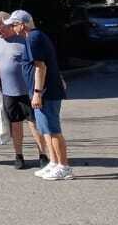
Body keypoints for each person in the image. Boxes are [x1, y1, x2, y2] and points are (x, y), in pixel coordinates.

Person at [5, 10, 73, 181]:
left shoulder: (34, 38)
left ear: (23, 24)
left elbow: (40, 67)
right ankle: (54, 162)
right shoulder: (31, 38)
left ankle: (64, 166)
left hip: (46, 92)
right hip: (43, 92)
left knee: (53, 130)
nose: (13, 28)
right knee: (45, 130)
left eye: (14, 25)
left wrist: (37, 93)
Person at [0, 11, 48, 169]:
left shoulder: (24, 39)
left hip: (27, 90)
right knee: (15, 124)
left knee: (34, 124)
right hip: (8, 91)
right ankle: (19, 155)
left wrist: (38, 89)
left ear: (7, 23)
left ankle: (43, 155)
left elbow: (39, 63)